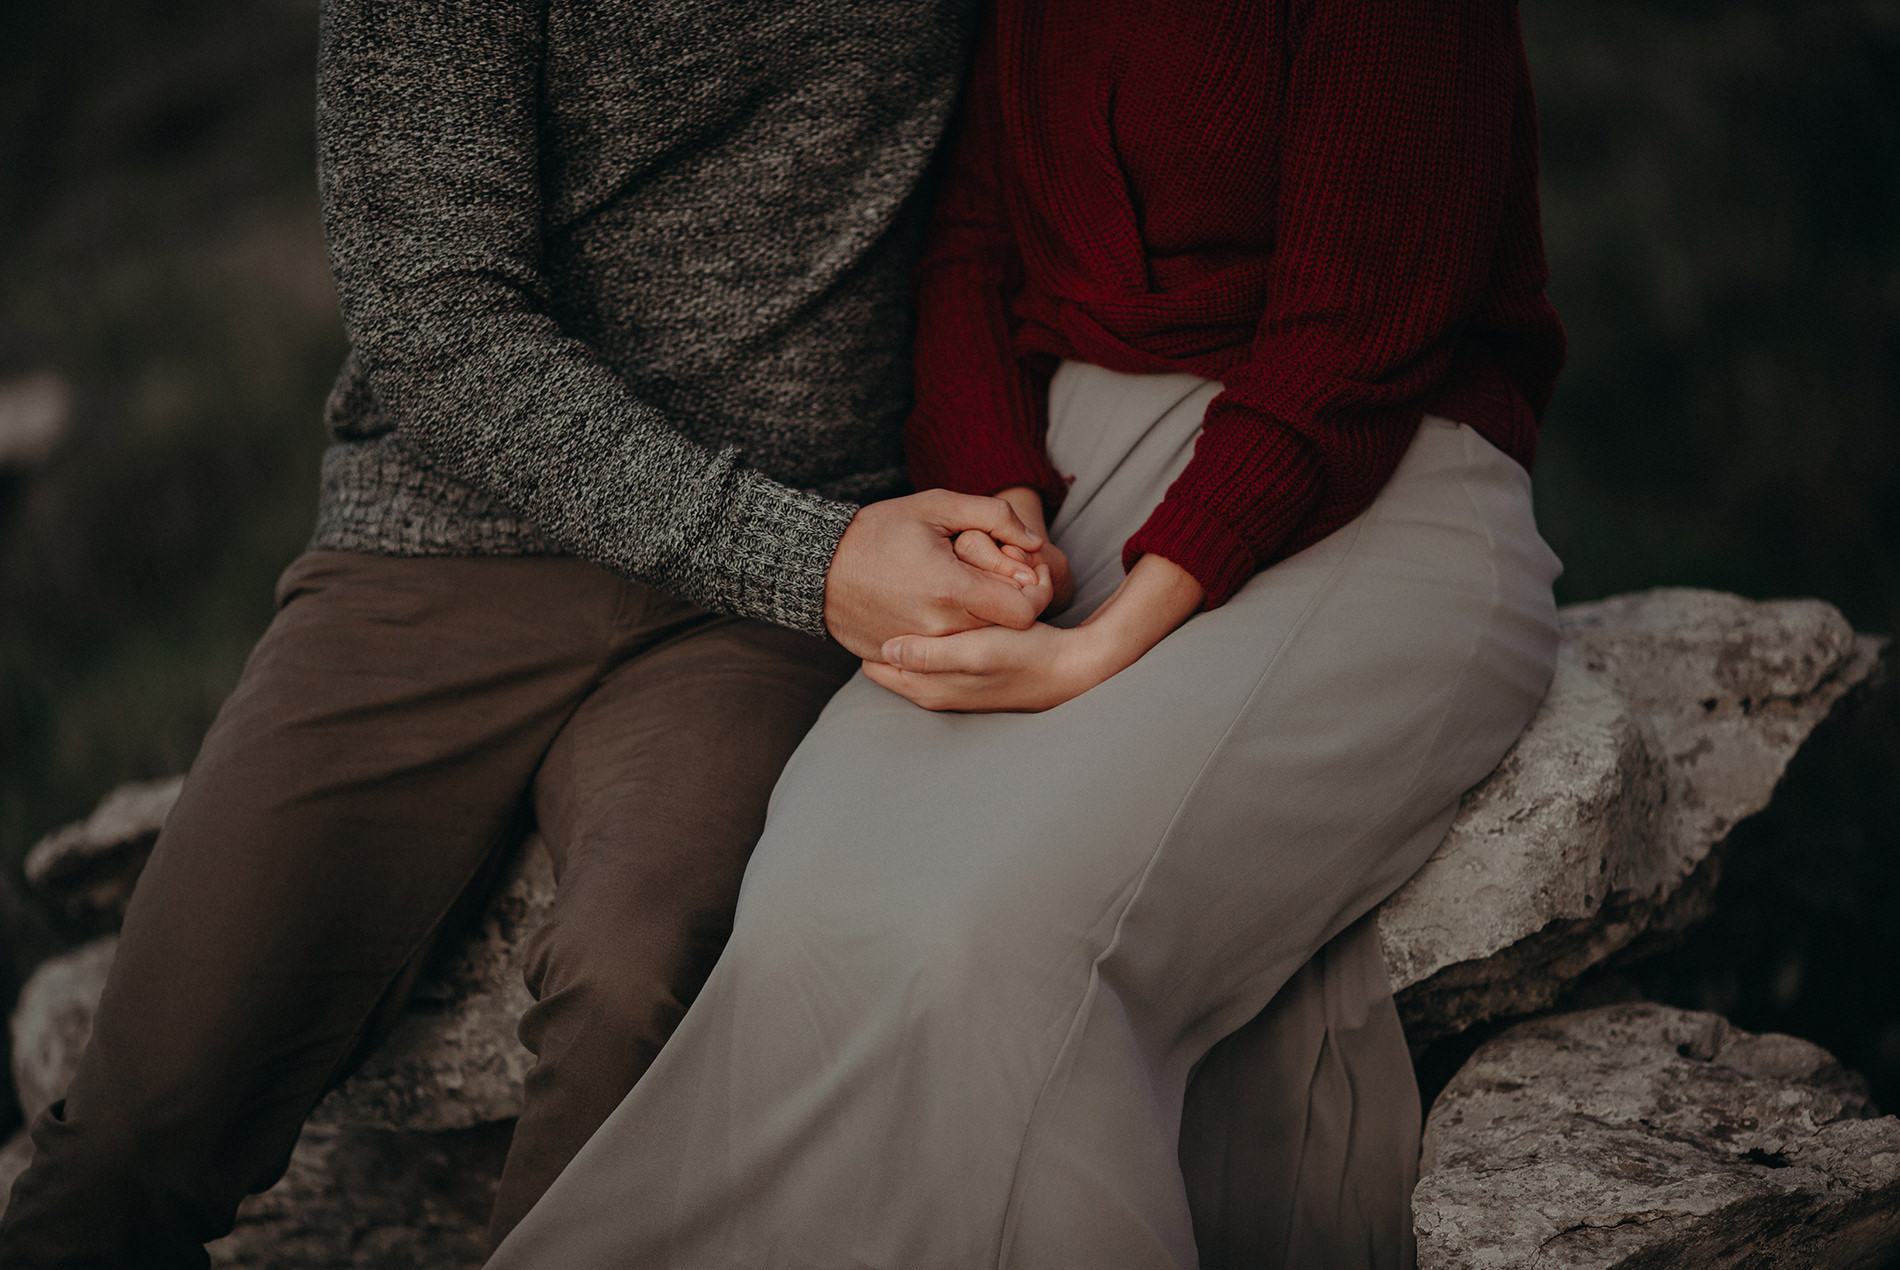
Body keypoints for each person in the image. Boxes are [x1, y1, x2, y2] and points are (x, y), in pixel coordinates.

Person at [0, 1, 1089, 1263]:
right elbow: (433, 319)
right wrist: (814, 560)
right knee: (143, 1123)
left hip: (761, 593)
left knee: (637, 988)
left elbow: (993, 187)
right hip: (448, 549)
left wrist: (958, 484)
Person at [488, 0, 1567, 1266]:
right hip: (1077, 484)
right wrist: (998, 493)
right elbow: (973, 245)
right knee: (803, 912)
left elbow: (1355, 333)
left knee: (990, 947)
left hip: (1379, 484)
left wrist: (1099, 647)